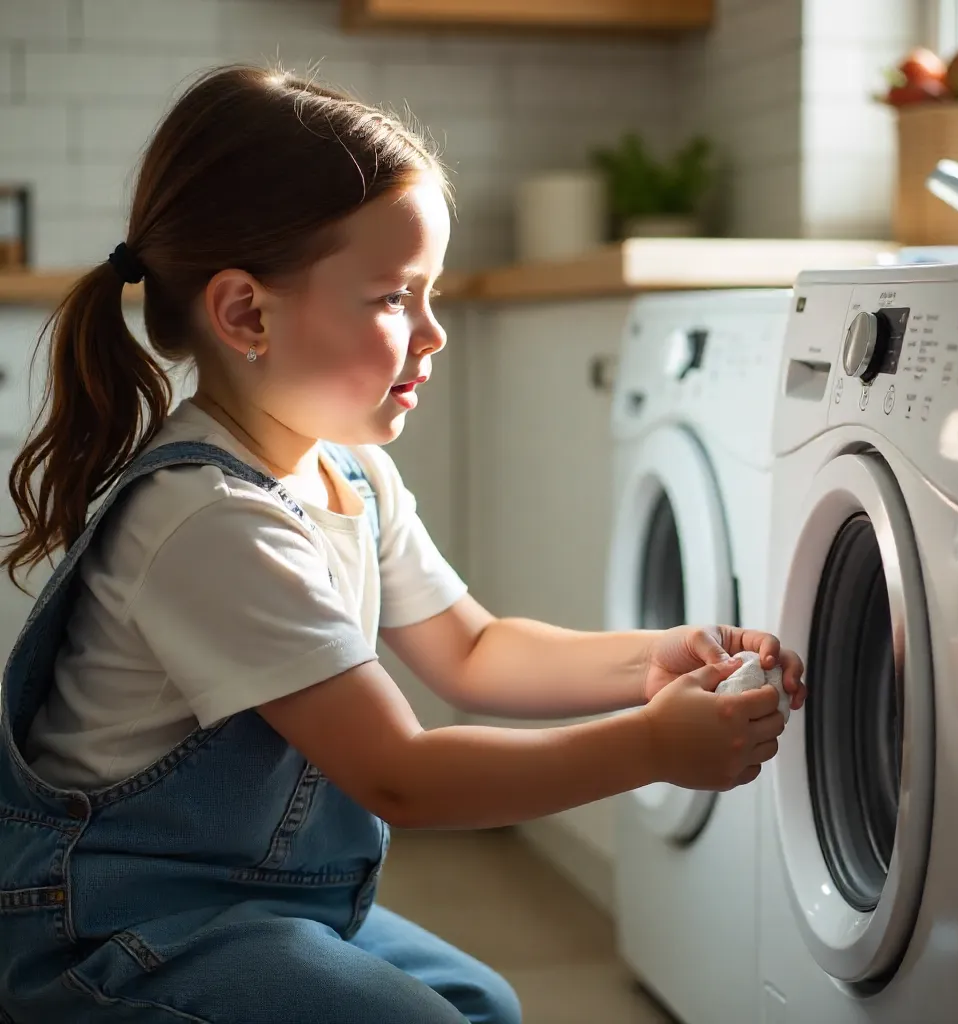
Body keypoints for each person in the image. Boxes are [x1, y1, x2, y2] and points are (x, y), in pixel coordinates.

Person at [0, 65, 806, 1024]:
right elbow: (401, 777)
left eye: (431, 295)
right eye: (393, 298)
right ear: (247, 313)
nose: (434, 335)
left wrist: (653, 660)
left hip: (257, 908)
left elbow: (473, 649)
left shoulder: (348, 473)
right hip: (114, 935)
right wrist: (649, 747)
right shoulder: (212, 521)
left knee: (484, 1004)